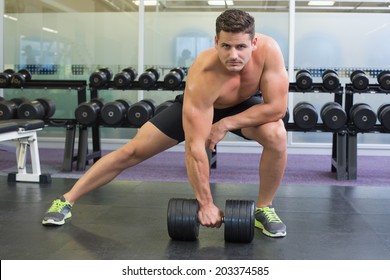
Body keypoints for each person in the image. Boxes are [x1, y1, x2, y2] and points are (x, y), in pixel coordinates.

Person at [42, 9, 289, 238]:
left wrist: (224, 124)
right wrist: (205, 203)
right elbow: (195, 148)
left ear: (254, 43)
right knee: (132, 151)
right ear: (215, 42)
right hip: (200, 106)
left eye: (241, 47)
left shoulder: (269, 51)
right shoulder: (204, 74)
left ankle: (263, 208)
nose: (233, 55)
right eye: (225, 46)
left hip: (243, 106)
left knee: (277, 134)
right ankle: (65, 200)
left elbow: (277, 108)